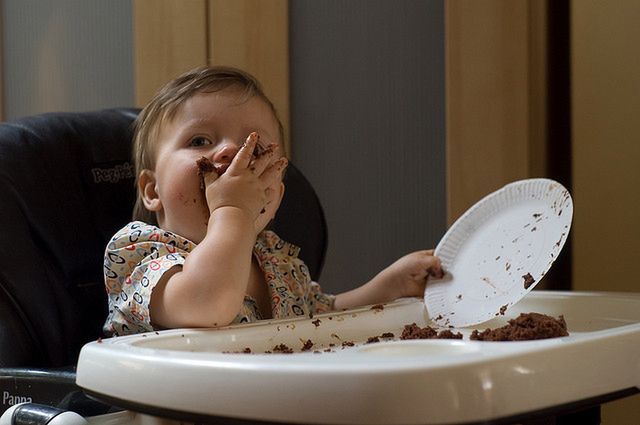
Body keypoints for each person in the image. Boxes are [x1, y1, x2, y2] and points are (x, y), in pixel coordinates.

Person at [103, 66, 442, 336]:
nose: (230, 153)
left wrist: (388, 286)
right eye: (200, 140)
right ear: (152, 190)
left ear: (274, 195)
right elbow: (207, 305)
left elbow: (324, 318)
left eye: (255, 148)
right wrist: (232, 211)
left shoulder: (276, 263)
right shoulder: (141, 254)